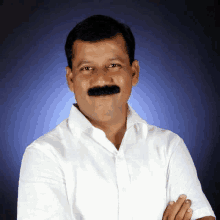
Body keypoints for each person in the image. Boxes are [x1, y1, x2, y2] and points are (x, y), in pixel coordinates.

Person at [17, 14, 216, 220]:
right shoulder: (43, 155)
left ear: (134, 72)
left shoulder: (169, 147)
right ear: (71, 79)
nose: (101, 79)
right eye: (87, 68)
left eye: (113, 65)